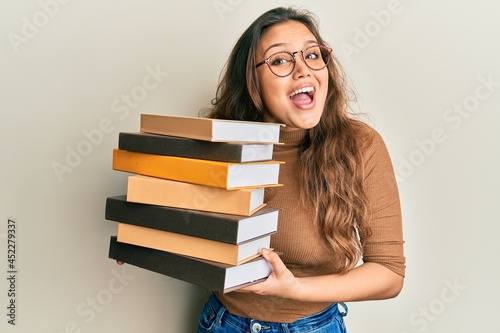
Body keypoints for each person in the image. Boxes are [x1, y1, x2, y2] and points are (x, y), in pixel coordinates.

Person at [196, 6, 405, 333]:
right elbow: (188, 225)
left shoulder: (361, 146)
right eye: (280, 60)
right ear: (253, 81)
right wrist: (147, 237)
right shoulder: (218, 143)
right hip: (223, 322)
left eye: (312, 55)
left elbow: (389, 274)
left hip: (314, 326)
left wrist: (296, 289)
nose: (304, 70)